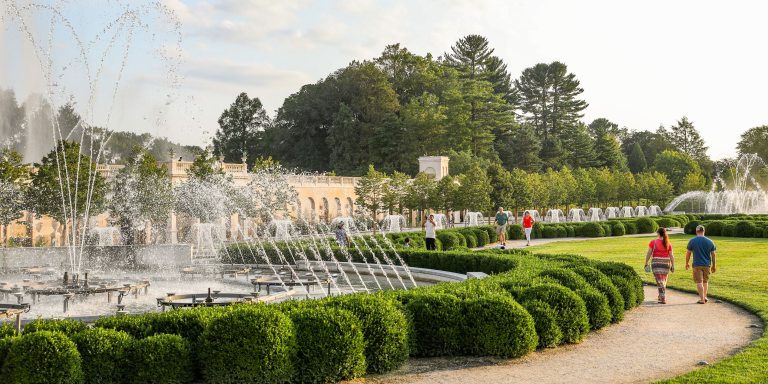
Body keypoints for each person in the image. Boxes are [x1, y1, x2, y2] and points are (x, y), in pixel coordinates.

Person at [686, 225, 717, 304]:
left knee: (699, 282)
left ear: (696, 231)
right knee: (705, 281)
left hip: (697, 264)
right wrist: (714, 265)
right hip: (707, 265)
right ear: (704, 231)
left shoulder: (692, 241)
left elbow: (688, 253)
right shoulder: (710, 241)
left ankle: (702, 299)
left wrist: (687, 263)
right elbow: (713, 254)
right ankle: (705, 296)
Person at [644, 227, 675, 304]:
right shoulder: (668, 243)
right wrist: (673, 265)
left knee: (659, 281)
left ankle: (663, 298)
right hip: (666, 263)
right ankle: (660, 295)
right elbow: (671, 256)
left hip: (656, 263)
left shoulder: (653, 242)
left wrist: (646, 262)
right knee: (663, 280)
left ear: (658, 233)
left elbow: (649, 253)